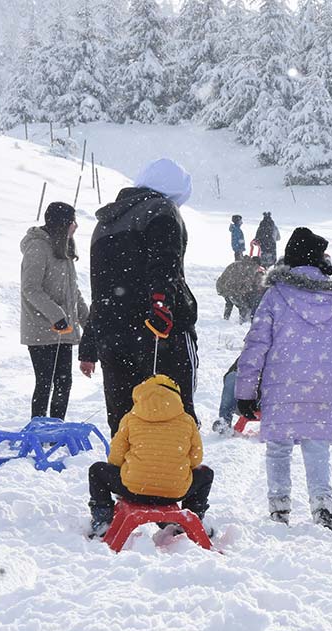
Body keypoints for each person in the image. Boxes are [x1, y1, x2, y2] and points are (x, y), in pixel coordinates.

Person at [235, 228, 332, 530]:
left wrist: (245, 391)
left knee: (278, 448)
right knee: (317, 446)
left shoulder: (275, 295)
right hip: (325, 388)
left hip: (281, 387)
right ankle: (322, 505)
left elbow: (256, 345)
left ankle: (279, 508)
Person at [90, 158, 198, 436]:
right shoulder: (162, 210)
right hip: (156, 334)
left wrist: (91, 338)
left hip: (112, 335)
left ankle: (127, 475)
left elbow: (99, 287)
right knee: (173, 414)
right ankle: (174, 475)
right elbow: (165, 264)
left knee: (125, 421)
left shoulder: (104, 223)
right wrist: (162, 308)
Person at [87, 375, 213, 538]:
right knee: (206, 473)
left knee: (96, 470)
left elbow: (115, 458)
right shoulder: (187, 421)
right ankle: (194, 516)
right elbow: (196, 459)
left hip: (134, 489)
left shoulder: (131, 418)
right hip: (174, 490)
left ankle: (102, 520)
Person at [21, 202, 89, 422]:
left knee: (63, 382)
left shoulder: (64, 246)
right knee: (45, 382)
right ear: (62, 224)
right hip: (42, 329)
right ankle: (39, 428)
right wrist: (57, 315)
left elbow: (73, 291)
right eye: (72, 222)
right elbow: (30, 288)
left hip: (63, 330)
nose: (75, 226)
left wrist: (88, 321)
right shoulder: (38, 248)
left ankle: (56, 428)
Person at [215, 255, 264, 323]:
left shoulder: (240, 263)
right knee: (243, 305)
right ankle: (243, 322)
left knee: (229, 301)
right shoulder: (250, 268)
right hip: (230, 289)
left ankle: (225, 319)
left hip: (221, 286)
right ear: (256, 264)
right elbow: (247, 286)